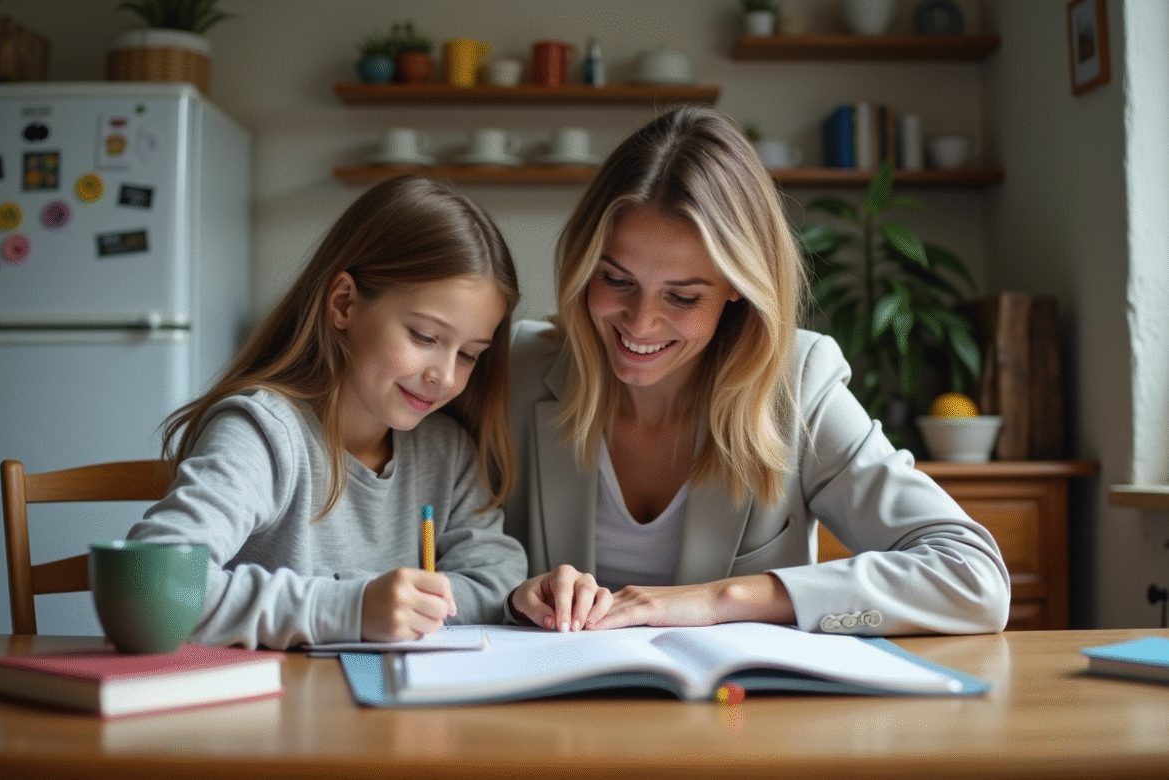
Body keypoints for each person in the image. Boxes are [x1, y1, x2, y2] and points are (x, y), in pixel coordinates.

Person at [504, 105, 1009, 636]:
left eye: (682, 296)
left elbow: (974, 579)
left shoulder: (799, 384)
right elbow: (440, 563)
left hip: (735, 715)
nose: (641, 322)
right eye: (616, 280)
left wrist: (723, 599)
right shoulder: (516, 368)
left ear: (737, 288)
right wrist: (515, 599)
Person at [130, 176, 528, 650]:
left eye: (469, 354)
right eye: (425, 336)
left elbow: (495, 585)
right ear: (343, 304)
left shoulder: (447, 451)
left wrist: (519, 597)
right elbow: (154, 585)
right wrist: (351, 606)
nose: (445, 376)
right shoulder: (263, 435)